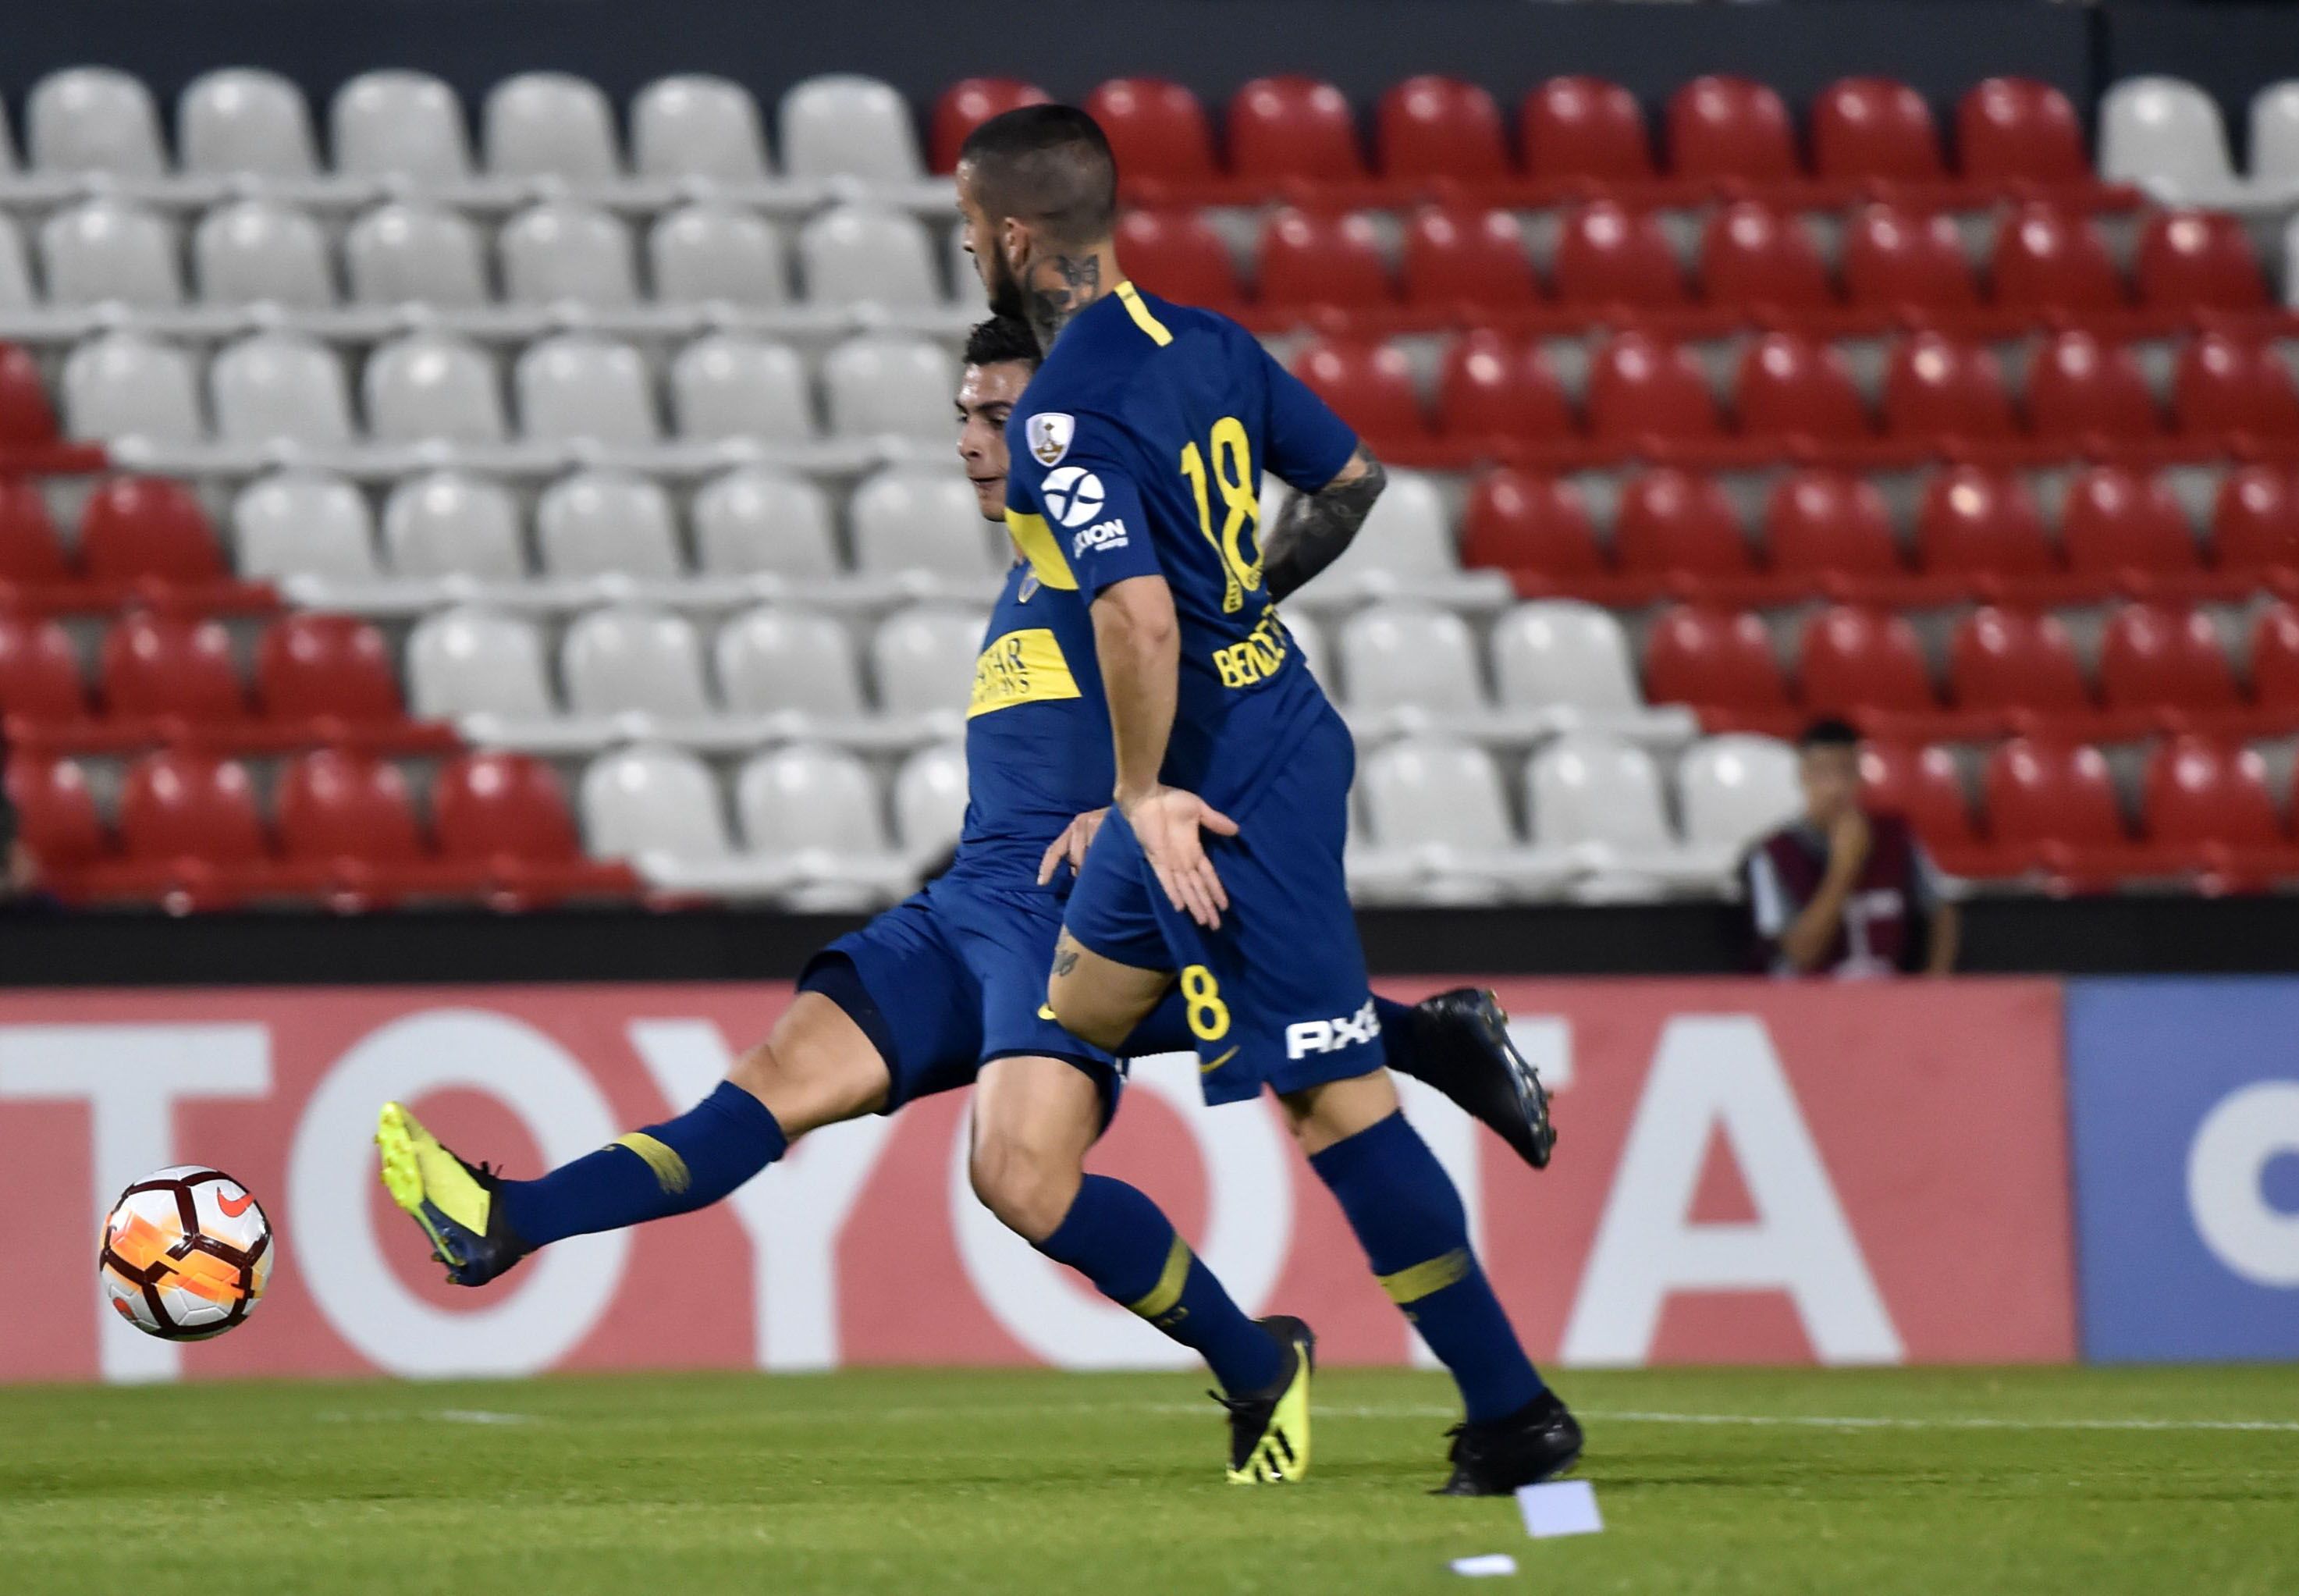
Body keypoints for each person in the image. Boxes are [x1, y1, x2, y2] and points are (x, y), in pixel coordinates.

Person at [375, 315, 1557, 1488]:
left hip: (1055, 919)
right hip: (956, 912)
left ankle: (1270, 1339)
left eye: (998, 418)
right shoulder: (1034, 574)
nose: (973, 444)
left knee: (1018, 1180)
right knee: (763, 1092)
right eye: (964, 419)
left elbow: (1216, 704)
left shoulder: (1133, 580)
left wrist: (1132, 802)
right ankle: (510, 1217)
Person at [958, 105, 1582, 1497]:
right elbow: (1352, 482)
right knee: (1070, 1047)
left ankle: (1514, 1415)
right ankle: (1428, 1037)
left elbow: (1134, 617)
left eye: (965, 234)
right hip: (1230, 732)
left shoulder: (1068, 404)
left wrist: (1138, 790)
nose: (966, 255)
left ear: (1011, 236)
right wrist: (1247, 605)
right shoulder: (1212, 345)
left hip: (1237, 783)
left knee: (1322, 1099)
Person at [1742, 719, 1960, 978]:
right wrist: (1844, 867)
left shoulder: (1895, 835)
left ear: (1860, 774)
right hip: (1810, 1002)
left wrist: (1936, 977)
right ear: (1803, 776)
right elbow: (1800, 954)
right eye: (1823, 773)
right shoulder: (1773, 854)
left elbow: (1941, 912)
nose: (1836, 787)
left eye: (1846, 771)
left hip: (1887, 997)